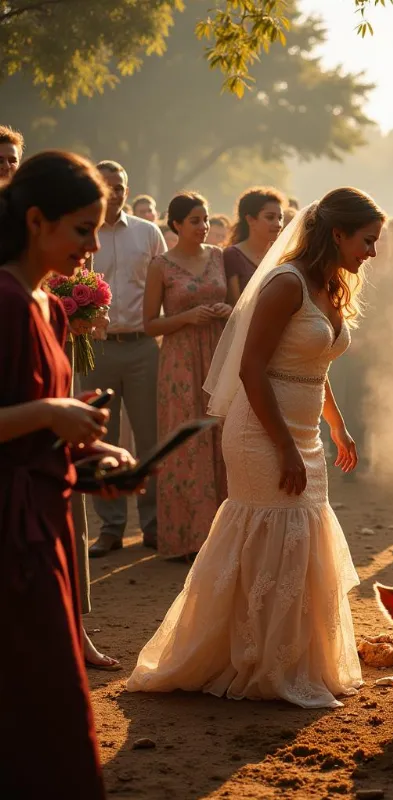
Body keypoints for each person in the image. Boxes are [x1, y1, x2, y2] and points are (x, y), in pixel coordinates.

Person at [127, 187, 384, 707]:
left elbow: (315, 366)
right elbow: (251, 369)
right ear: (337, 233)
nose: (372, 252)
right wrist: (285, 447)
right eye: (367, 240)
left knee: (302, 534)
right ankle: (251, 662)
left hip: (306, 430)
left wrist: (338, 426)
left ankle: (287, 658)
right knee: (270, 527)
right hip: (260, 431)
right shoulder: (284, 284)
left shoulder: (331, 284)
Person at [0, 150, 141, 799]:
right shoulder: (2, 299)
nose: (94, 245)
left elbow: (41, 433)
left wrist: (94, 456)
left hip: (45, 526)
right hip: (8, 534)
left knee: (53, 700)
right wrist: (52, 411)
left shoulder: (50, 306)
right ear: (36, 220)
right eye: (83, 229)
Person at [83, 160, 167, 557]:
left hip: (142, 346)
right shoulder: (82, 232)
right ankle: (111, 527)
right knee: (102, 437)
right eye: (107, 185)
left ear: (127, 191)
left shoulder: (149, 233)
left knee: (150, 436)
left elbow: (166, 284)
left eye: (120, 186)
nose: (115, 192)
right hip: (96, 348)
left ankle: (153, 525)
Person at [143, 192, 230, 559]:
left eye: (206, 219)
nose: (203, 227)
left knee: (220, 437)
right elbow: (149, 324)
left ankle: (222, 538)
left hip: (216, 354)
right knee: (186, 442)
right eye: (195, 220)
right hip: (179, 361)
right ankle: (185, 539)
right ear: (176, 224)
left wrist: (227, 309)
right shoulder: (160, 265)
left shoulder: (218, 256)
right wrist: (187, 318)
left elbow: (236, 303)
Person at [224, 186, 286, 302]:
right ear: (250, 220)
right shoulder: (233, 255)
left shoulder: (282, 255)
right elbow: (235, 306)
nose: (278, 224)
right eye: (270, 217)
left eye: (280, 218)